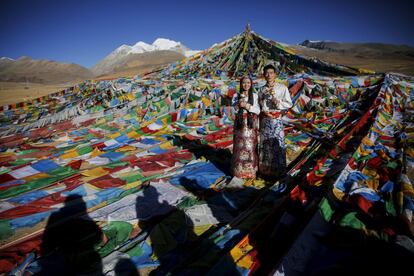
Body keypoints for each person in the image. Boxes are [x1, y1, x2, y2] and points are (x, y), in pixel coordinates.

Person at [258, 64, 292, 179]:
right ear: (264, 75)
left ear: (275, 74)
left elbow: (289, 103)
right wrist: (263, 109)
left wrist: (277, 102)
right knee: (266, 144)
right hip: (265, 121)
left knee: (277, 143)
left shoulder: (282, 88)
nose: (269, 75)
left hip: (277, 119)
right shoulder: (261, 89)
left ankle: (279, 171)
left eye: (271, 73)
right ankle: (266, 171)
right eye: (266, 73)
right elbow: (259, 104)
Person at [231, 75, 260, 178]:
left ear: (251, 84)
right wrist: (238, 105)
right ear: (240, 84)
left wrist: (247, 106)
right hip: (239, 125)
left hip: (250, 125)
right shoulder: (236, 95)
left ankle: (251, 171)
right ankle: (239, 171)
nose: (246, 85)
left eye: (248, 82)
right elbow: (233, 111)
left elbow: (258, 110)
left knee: (250, 147)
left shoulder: (255, 96)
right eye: (244, 83)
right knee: (239, 147)